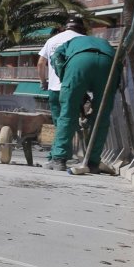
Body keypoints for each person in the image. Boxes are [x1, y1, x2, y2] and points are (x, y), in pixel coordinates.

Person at [44, 33, 121, 174]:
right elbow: (119, 65)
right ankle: (93, 162)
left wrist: (65, 79)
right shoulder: (104, 42)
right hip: (108, 64)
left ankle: (59, 159)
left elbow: (56, 57)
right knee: (101, 117)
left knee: (68, 113)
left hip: (79, 63)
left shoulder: (69, 43)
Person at [37, 15, 85, 124]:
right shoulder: (82, 39)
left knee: (59, 123)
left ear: (66, 27)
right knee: (74, 121)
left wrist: (43, 82)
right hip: (74, 88)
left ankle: (61, 140)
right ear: (81, 27)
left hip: (54, 89)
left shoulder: (51, 40)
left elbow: (40, 63)